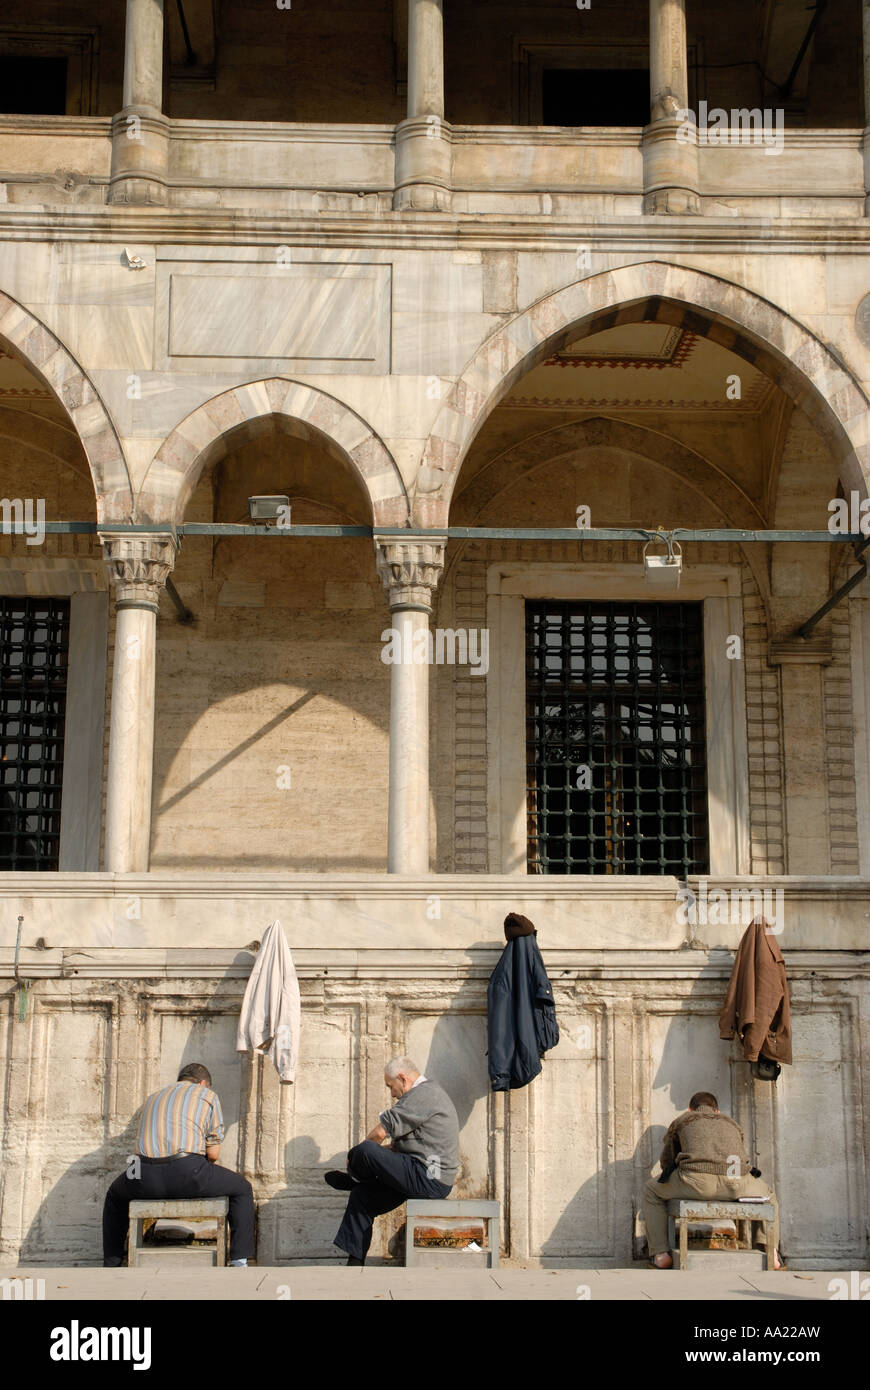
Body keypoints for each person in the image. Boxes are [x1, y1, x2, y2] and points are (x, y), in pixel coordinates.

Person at [102, 1062, 255, 1268]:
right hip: (185, 1170)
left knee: (114, 1194)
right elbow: (213, 1153)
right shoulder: (207, 1095)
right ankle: (239, 1260)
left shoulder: (153, 1097)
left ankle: (111, 1262)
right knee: (242, 1189)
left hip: (141, 1172)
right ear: (203, 1083)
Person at [325, 1056, 459, 1266]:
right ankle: (355, 1263)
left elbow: (379, 1133)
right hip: (419, 1173)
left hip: (429, 1176)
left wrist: (356, 1158)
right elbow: (398, 1148)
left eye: (391, 1086)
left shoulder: (423, 1094)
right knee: (362, 1197)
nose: (392, 1093)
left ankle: (356, 1178)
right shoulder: (424, 1095)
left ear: (403, 1079)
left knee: (365, 1150)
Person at [643, 1090, 782, 1269]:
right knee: (769, 1197)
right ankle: (770, 1252)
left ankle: (660, 1254)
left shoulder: (684, 1120)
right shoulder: (731, 1123)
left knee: (651, 1190)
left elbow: (667, 1161)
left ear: (690, 1109)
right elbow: (741, 1154)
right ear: (717, 1110)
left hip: (696, 1182)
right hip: (736, 1181)